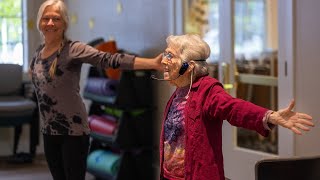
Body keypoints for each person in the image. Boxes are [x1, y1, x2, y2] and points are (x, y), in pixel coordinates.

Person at [29, 0, 162, 180]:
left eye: (56, 18)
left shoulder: (73, 49)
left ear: (64, 23)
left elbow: (109, 59)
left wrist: (152, 63)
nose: (50, 23)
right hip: (49, 132)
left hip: (73, 133)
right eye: (46, 18)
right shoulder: (38, 53)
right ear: (39, 22)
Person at [156, 34, 314, 180]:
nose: (164, 61)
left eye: (170, 56)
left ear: (188, 66)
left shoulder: (207, 90)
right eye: (165, 54)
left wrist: (269, 116)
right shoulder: (180, 91)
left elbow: (233, 107)